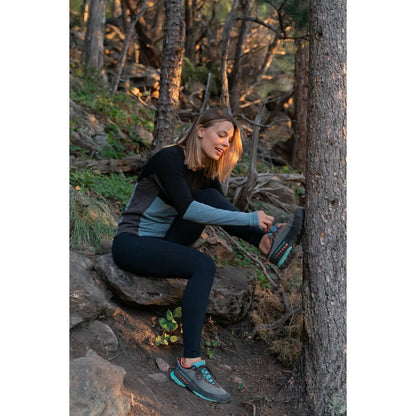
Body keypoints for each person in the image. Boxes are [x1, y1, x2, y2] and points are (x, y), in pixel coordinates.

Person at [112, 107, 303, 404]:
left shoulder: (206, 171)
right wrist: (250, 218)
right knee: (203, 265)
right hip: (133, 243)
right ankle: (189, 364)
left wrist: (254, 226)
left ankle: (267, 246)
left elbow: (221, 212)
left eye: (229, 140)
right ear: (200, 130)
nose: (225, 143)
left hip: (168, 240)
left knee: (212, 197)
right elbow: (189, 211)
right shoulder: (169, 159)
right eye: (221, 135)